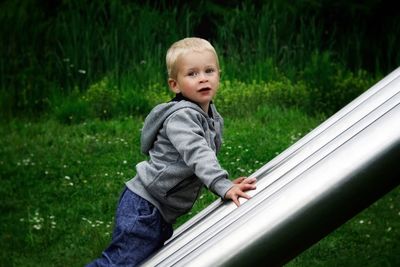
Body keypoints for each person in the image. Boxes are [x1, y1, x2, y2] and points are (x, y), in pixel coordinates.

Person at [87, 37, 257, 267]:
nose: (203, 78)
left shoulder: (211, 116)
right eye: (192, 74)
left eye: (209, 71)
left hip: (159, 210)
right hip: (145, 207)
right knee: (119, 263)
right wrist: (222, 184)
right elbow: (197, 153)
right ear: (175, 84)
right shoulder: (182, 117)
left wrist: (223, 184)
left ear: (219, 74)